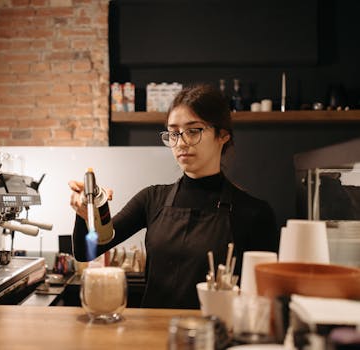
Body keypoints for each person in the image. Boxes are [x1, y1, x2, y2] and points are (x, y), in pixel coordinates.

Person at [69, 84, 279, 309]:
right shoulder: (152, 199)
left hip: (213, 337)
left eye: (193, 130)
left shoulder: (253, 213)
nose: (181, 142)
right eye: (173, 133)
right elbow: (86, 251)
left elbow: (265, 297)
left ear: (223, 135)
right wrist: (87, 214)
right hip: (153, 337)